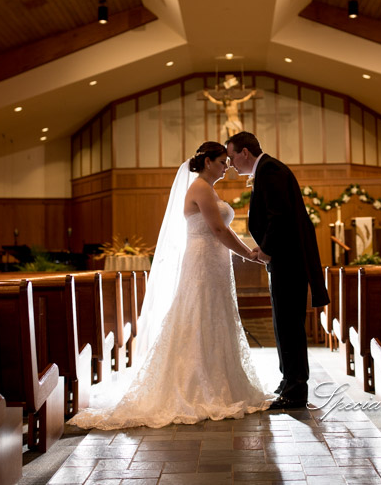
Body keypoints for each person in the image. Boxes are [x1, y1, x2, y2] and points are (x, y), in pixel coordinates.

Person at [67, 141, 272, 430]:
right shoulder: (200, 188)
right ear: (208, 162)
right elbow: (217, 229)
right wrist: (249, 254)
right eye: (222, 160)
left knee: (214, 317)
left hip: (215, 263)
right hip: (202, 263)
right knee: (198, 316)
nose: (227, 166)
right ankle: (195, 385)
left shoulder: (208, 189)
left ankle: (219, 381)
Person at [225, 131, 330, 410]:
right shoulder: (268, 170)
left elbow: (279, 216)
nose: (232, 164)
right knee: (283, 323)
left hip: (288, 260)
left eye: (233, 156)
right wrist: (266, 249)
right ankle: (288, 380)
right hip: (284, 258)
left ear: (245, 152)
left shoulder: (270, 170)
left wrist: (267, 249)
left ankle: (296, 390)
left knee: (289, 325)